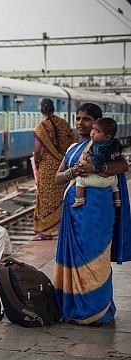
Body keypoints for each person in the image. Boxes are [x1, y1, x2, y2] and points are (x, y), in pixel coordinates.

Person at [54, 103, 131, 326]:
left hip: (98, 212)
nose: (80, 123)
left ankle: (96, 311)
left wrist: (94, 168)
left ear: (97, 123)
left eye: (86, 120)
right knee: (73, 258)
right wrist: (72, 172)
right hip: (73, 211)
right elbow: (59, 178)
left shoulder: (105, 146)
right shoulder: (71, 149)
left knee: (94, 259)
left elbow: (123, 166)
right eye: (78, 119)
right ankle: (72, 308)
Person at [31, 98, 77, 241]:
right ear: (53, 109)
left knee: (45, 198)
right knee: (62, 196)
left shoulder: (41, 127)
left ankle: (45, 231)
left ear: (41, 110)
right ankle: (60, 228)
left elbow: (37, 150)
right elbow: (73, 142)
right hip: (63, 165)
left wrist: (36, 162)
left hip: (47, 167)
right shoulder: (63, 124)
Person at [71, 117, 123, 208]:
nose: (93, 132)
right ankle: (117, 201)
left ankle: (79, 199)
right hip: (111, 178)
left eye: (97, 131)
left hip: (100, 179)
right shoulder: (115, 143)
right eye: (93, 129)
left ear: (107, 137)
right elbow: (117, 154)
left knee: (80, 180)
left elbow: (97, 162)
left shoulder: (97, 146)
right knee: (115, 186)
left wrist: (86, 157)